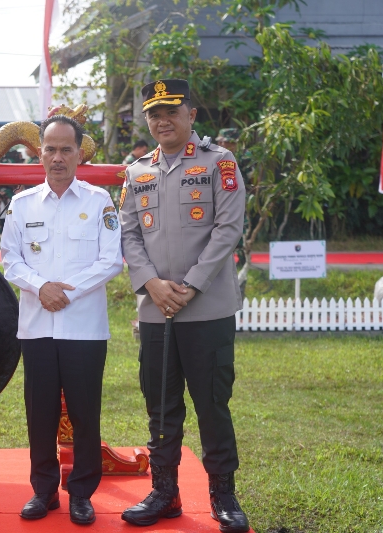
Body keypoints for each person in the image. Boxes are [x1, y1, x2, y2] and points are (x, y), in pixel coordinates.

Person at [118, 79, 249, 532]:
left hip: (206, 307)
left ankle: (223, 495)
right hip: (156, 309)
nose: (162, 120)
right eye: (154, 113)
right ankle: (164, 491)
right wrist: (151, 284)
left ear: (191, 115)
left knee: (212, 402)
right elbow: (130, 235)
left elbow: (228, 228)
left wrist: (189, 286)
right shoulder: (138, 172)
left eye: (171, 111)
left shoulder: (219, 162)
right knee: (160, 404)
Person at [0, 115, 123, 525]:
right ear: (39, 153)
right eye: (49, 149)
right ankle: (44, 491)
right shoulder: (22, 204)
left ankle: (83, 492)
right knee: (40, 412)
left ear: (79, 152)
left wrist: (64, 290)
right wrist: (41, 287)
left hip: (84, 327)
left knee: (86, 412)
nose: (57, 157)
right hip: (36, 327)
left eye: (66, 149)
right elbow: (10, 261)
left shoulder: (99, 201)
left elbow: (111, 261)